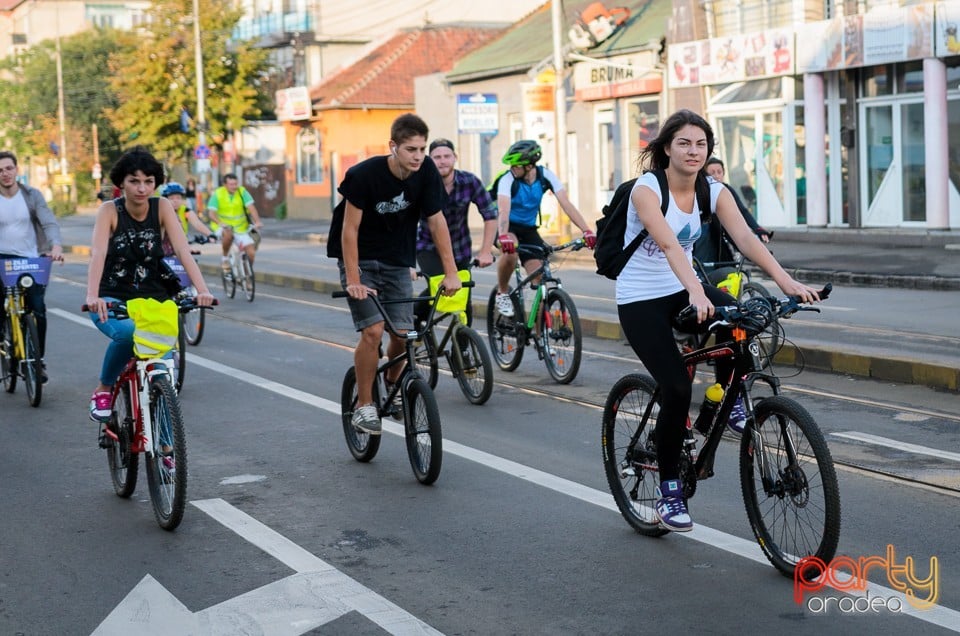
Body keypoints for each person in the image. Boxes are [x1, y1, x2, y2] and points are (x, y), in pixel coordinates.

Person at [616, 110, 819, 532]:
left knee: (744, 321)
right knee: (673, 386)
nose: (693, 151)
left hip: (684, 286)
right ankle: (670, 492)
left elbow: (745, 238)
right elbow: (671, 245)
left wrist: (787, 282)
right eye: (684, 143)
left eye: (701, 144)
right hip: (641, 297)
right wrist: (694, 289)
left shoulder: (714, 190)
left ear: (709, 150)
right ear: (666, 148)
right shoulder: (646, 189)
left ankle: (723, 403)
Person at [328, 113, 461, 436]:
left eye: (421, 149)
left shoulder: (426, 171)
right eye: (410, 149)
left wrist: (451, 272)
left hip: (397, 261)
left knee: (403, 334)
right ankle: (364, 405)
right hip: (360, 260)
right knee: (373, 331)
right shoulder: (364, 175)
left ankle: (391, 381)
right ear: (393, 146)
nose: (418, 156)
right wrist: (354, 279)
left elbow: (436, 221)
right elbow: (350, 229)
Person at [85, 147, 215, 423]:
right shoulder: (109, 211)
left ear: (156, 183)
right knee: (129, 334)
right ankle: (104, 387)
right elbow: (97, 253)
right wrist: (93, 296)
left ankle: (166, 447)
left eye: (148, 181)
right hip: (112, 297)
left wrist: (202, 289)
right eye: (134, 181)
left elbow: (181, 249)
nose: (142, 188)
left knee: (163, 370)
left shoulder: (162, 206)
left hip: (154, 296)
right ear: (121, 183)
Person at [493, 139, 596, 317]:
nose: (512, 168)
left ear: (529, 166)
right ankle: (502, 293)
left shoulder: (545, 175)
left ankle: (541, 339)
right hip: (508, 226)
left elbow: (566, 204)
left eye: (516, 165)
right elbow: (503, 209)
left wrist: (586, 230)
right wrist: (503, 236)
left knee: (540, 281)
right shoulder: (507, 179)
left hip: (529, 229)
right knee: (510, 252)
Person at [415, 138, 497, 326]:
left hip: (460, 248)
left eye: (446, 156)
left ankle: (464, 350)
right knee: (437, 289)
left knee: (463, 299)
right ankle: (416, 322)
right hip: (429, 248)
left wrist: (485, 251)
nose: (442, 161)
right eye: (437, 157)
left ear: (455, 158)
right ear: (429, 160)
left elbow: (490, 214)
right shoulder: (421, 183)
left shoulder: (469, 181)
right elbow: (405, 222)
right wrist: (408, 264)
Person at [0, 150, 64, 383]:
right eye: (0, 170)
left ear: (17, 170)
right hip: (1, 259)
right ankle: (3, 344)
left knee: (38, 309)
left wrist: (55, 246)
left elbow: (49, 222)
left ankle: (38, 360)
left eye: (9, 168)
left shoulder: (31, 195)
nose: (5, 174)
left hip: (30, 258)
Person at [695, 157, 770, 273]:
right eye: (712, 173)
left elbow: (742, 211)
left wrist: (758, 229)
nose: (716, 176)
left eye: (719, 172)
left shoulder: (727, 190)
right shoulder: (701, 190)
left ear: (724, 173)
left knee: (729, 270)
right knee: (704, 269)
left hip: (723, 236)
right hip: (705, 236)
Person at [206, 173, 262, 272]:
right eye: (231, 184)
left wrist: (257, 222)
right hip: (223, 227)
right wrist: (220, 223)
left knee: (251, 253)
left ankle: (247, 274)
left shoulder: (242, 192)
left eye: (235, 184)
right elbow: (211, 214)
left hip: (241, 228)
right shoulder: (218, 193)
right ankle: (225, 258)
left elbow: (251, 208)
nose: (234, 186)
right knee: (228, 234)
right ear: (225, 185)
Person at [159, 182, 215, 255]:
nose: (175, 201)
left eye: (178, 198)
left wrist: (210, 234)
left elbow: (197, 223)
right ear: (164, 199)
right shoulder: (160, 211)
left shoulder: (185, 210)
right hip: (162, 248)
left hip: (181, 246)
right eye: (171, 198)